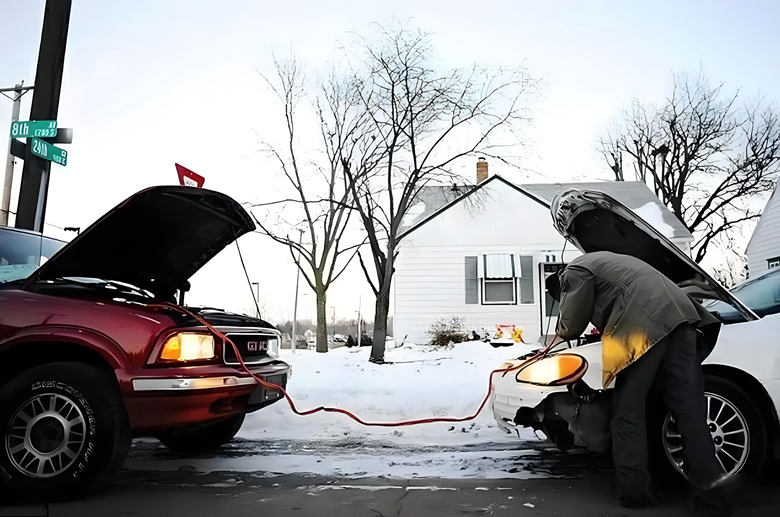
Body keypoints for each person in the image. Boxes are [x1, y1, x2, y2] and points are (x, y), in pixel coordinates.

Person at [546, 250, 728, 511]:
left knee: (627, 412)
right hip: (682, 318)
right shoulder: (609, 261)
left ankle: (635, 492)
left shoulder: (575, 270)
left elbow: (572, 323)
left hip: (642, 325)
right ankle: (712, 492)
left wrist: (560, 332)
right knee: (689, 409)